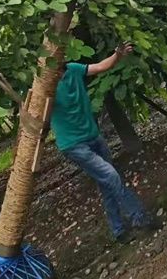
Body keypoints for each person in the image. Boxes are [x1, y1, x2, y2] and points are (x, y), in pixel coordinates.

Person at [50, 42, 159, 242]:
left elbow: (100, 66)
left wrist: (117, 55)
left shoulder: (73, 69)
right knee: (111, 175)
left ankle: (118, 230)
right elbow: (36, 115)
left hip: (93, 136)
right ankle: (139, 216)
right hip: (74, 145)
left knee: (107, 183)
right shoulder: (45, 90)